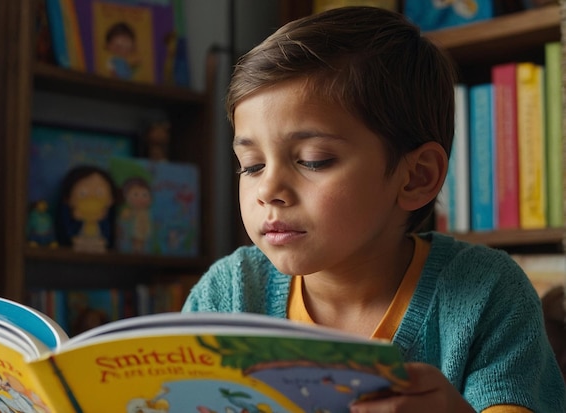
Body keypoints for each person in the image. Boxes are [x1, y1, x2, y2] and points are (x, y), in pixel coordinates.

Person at [181, 6, 565, 412]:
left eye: (313, 160)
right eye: (252, 166)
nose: (268, 189)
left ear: (416, 177)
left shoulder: (488, 293)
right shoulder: (229, 293)